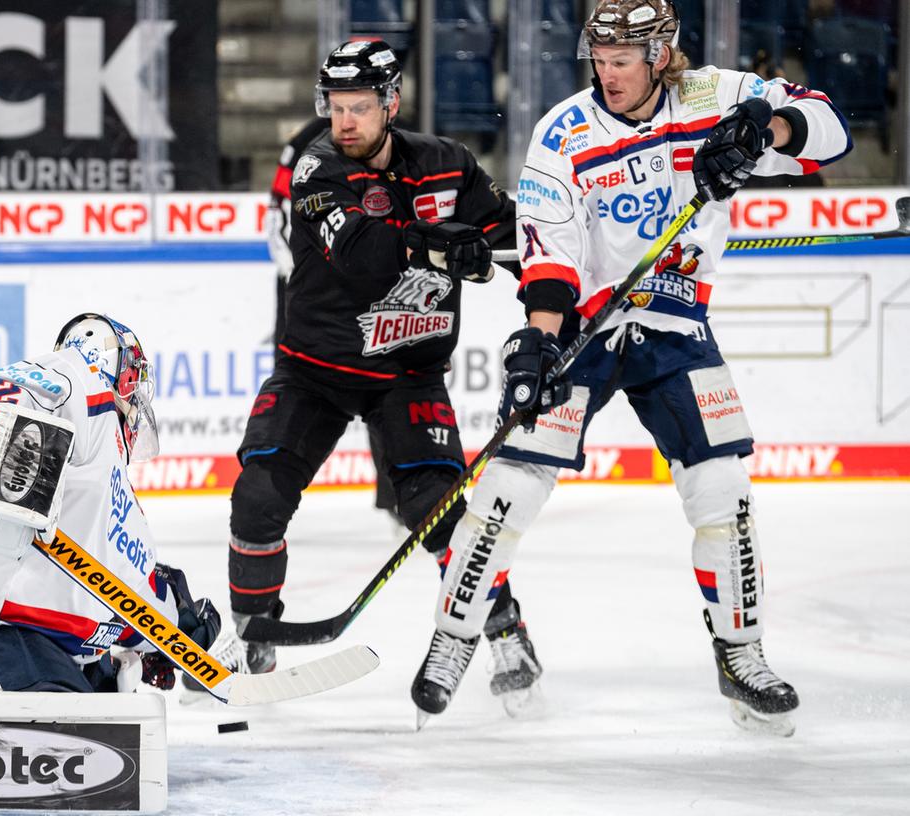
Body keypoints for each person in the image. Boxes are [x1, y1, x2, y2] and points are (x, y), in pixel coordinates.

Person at [414, 0, 851, 735]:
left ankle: (739, 654)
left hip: (674, 318)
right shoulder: (563, 131)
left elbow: (828, 132)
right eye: (599, 59)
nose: (606, 74)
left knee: (723, 490)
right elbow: (550, 253)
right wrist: (537, 342)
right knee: (508, 489)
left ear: (659, 56)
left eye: (621, 61)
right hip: (585, 324)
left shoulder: (716, 97)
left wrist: (764, 131)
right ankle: (453, 638)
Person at [227, 38, 544, 714]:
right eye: (336, 108)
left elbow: (516, 236)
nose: (344, 122)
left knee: (437, 512)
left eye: (359, 108)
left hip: (407, 374)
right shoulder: (317, 170)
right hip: (314, 370)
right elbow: (369, 259)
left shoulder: (446, 164)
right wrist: (444, 244)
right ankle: (252, 632)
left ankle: (505, 630)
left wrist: (565, 286)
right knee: (257, 496)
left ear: (390, 104)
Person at [0, 313, 237, 693]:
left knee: (110, 702)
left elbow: (123, 594)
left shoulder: (106, 489)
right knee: (81, 730)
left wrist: (178, 631)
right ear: (125, 375)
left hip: (40, 641)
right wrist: (6, 463)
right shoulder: (84, 383)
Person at [267, 116, 406, 526]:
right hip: (307, 290)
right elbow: (276, 215)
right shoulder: (306, 139)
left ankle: (400, 496)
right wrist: (308, 275)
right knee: (296, 390)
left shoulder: (401, 141)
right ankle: (270, 498)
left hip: (373, 290)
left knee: (389, 390)